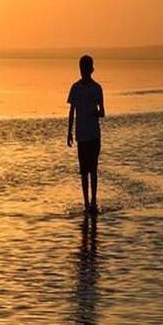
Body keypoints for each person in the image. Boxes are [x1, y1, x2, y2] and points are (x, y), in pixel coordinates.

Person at [67, 55, 105, 218]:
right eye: (82, 69)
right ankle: (86, 204)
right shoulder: (75, 88)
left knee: (93, 170)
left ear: (90, 69)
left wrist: (94, 112)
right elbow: (71, 111)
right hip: (81, 136)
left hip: (94, 135)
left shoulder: (97, 88)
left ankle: (94, 202)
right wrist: (69, 132)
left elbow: (102, 112)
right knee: (84, 171)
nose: (84, 72)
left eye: (86, 69)